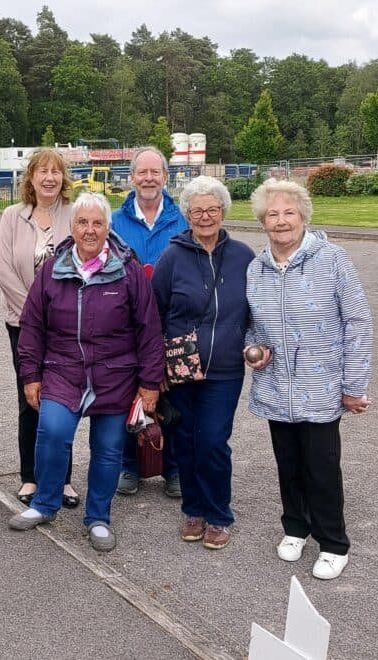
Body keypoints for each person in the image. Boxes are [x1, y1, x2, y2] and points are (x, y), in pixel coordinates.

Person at [8, 192, 164, 552]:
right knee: (52, 433)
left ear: (108, 228)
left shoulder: (127, 270)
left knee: (108, 450)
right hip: (63, 371)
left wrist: (149, 382)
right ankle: (45, 504)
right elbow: (32, 326)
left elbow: (149, 329)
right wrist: (30, 375)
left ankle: (97, 517)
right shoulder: (52, 268)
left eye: (97, 223)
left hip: (116, 375)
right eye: (82, 222)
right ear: (72, 227)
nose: (90, 230)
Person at [244, 179, 372, 580]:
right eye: (272, 215)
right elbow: (254, 327)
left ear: (303, 217)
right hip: (277, 388)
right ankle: (295, 528)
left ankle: (333, 542)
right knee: (288, 464)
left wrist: (354, 384)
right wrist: (256, 351)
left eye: (288, 213)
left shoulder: (332, 259)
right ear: (263, 221)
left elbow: (357, 322)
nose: (281, 221)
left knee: (321, 466)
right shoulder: (256, 268)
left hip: (322, 385)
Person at [151, 176, 254, 551]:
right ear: (187, 215)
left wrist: (257, 345)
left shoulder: (243, 256)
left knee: (212, 441)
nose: (206, 216)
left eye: (212, 209)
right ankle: (193, 510)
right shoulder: (172, 257)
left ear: (223, 212)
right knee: (185, 438)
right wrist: (155, 366)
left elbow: (258, 311)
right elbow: (154, 313)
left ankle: (218, 514)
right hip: (180, 366)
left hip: (225, 368)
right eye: (197, 210)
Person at [0, 148, 80, 508]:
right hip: (23, 324)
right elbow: (4, 270)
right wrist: (34, 314)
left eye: (55, 172)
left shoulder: (76, 216)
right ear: (30, 178)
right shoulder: (13, 216)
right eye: (42, 171)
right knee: (30, 399)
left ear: (63, 178)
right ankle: (30, 476)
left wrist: (58, 313)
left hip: (66, 326)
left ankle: (62, 480)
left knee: (64, 399)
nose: (49, 178)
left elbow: (83, 266)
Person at [111, 146, 188, 498]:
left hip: (175, 321)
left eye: (155, 172)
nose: (148, 178)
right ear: (131, 177)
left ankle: (173, 467)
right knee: (129, 393)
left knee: (177, 397)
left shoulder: (182, 218)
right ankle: (130, 466)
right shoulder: (115, 220)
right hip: (127, 324)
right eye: (141, 172)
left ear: (165, 177)